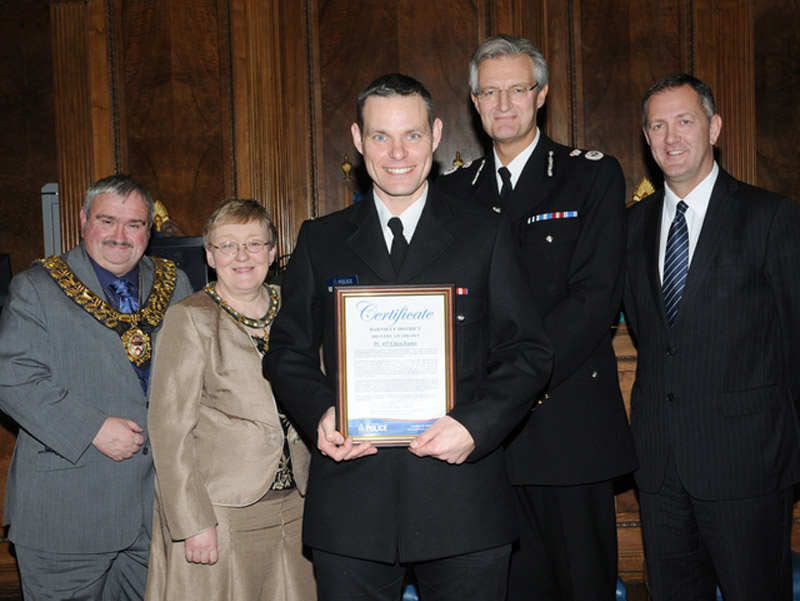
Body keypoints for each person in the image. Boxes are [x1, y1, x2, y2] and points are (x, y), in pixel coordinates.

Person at [264, 73, 553, 601]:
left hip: (462, 502)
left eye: (412, 135)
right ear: (357, 139)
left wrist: (475, 425)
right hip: (353, 505)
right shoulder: (320, 240)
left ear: (437, 134)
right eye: (380, 136)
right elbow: (287, 352)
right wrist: (323, 413)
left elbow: (527, 352)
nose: (398, 153)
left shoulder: (484, 235)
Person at [438, 34, 637, 601]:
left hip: (568, 428)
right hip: (486, 442)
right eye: (490, 92)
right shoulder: (452, 193)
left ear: (541, 94)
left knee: (581, 587)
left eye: (517, 90)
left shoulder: (589, 175)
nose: (504, 104)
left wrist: (510, 380)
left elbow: (594, 298)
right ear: (474, 102)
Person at [624, 73, 800, 600]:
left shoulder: (770, 216)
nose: (671, 137)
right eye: (658, 125)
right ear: (646, 137)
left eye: (684, 121)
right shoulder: (629, 227)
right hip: (658, 468)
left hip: (747, 467)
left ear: (714, 127)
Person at [0, 174, 193, 600]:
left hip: (154, 513)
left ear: (150, 230)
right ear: (84, 220)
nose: (120, 236)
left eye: (135, 224)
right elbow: (12, 378)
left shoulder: (174, 284)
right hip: (68, 512)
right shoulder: (37, 288)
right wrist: (93, 428)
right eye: (108, 221)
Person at [144, 198, 314, 601]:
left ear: (273, 253)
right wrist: (193, 522)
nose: (242, 256)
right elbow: (169, 432)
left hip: (299, 504)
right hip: (223, 511)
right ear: (210, 254)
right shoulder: (191, 318)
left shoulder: (297, 307)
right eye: (228, 245)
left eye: (255, 244)